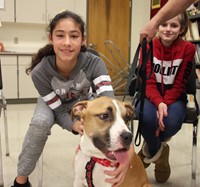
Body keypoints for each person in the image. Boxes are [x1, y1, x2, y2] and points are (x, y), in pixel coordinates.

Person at [11, 10, 133, 187]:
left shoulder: (94, 63)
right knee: (40, 123)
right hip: (54, 103)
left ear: (83, 40)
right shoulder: (40, 72)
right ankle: (20, 180)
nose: (67, 43)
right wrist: (74, 125)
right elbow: (59, 110)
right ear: (51, 38)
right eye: (60, 36)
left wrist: (127, 147)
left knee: (104, 118)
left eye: (74, 36)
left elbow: (109, 101)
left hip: (84, 98)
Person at [136, 11, 196, 183]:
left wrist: (165, 103)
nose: (168, 29)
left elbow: (179, 84)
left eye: (174, 25)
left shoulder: (188, 49)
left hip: (175, 97)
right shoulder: (147, 46)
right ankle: (161, 155)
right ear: (157, 26)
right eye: (163, 24)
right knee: (147, 119)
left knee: (171, 122)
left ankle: (147, 151)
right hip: (150, 95)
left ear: (182, 29)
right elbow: (147, 80)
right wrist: (158, 102)